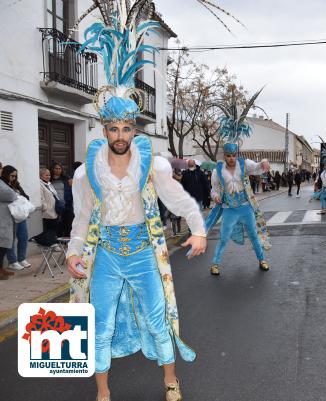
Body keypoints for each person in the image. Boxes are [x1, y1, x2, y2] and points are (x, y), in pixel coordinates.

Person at [64, 6, 210, 401]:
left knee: (158, 320)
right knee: (101, 325)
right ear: (104, 129)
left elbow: (181, 200)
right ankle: (103, 392)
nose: (120, 135)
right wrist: (74, 252)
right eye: (113, 128)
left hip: (144, 251)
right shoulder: (86, 172)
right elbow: (81, 220)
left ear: (134, 129)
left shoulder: (152, 164)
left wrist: (198, 229)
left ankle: (170, 380)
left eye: (127, 128)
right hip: (107, 253)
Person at [205, 89, 271, 277]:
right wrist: (216, 196)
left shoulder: (244, 164)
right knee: (223, 238)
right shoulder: (218, 170)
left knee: (253, 235)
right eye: (229, 156)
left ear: (237, 154)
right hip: (229, 209)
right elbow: (214, 189)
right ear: (224, 155)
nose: (232, 158)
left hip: (245, 207)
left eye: (234, 155)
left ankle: (262, 260)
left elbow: (258, 168)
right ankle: (215, 264)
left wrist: (264, 163)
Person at [1, 166, 31, 270]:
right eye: (11, 176)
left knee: (23, 237)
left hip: (20, 215)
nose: (13, 178)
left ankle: (22, 258)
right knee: (11, 239)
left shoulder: (16, 184)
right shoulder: (2, 184)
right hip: (9, 216)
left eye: (15, 176)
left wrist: (21, 198)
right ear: (6, 174)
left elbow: (25, 196)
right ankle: (12, 261)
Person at [0, 175, 17, 280]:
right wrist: (15, 195)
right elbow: (10, 195)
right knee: (1, 246)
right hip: (2, 217)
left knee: (4, 246)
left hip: (5, 216)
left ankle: (1, 268)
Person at [50, 161, 73, 237]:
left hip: (67, 206)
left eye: (59, 168)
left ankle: (67, 245)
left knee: (68, 226)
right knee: (57, 228)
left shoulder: (66, 179)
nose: (58, 170)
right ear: (52, 169)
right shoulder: (49, 179)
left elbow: (72, 190)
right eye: (56, 168)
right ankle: (58, 245)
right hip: (54, 207)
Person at [39, 168, 60, 234]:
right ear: (41, 176)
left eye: (49, 175)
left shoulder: (49, 184)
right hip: (47, 212)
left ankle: (53, 242)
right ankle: (49, 243)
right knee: (49, 230)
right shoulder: (40, 184)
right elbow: (41, 197)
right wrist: (45, 207)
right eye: (46, 175)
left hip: (54, 211)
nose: (48, 177)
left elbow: (55, 195)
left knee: (54, 229)